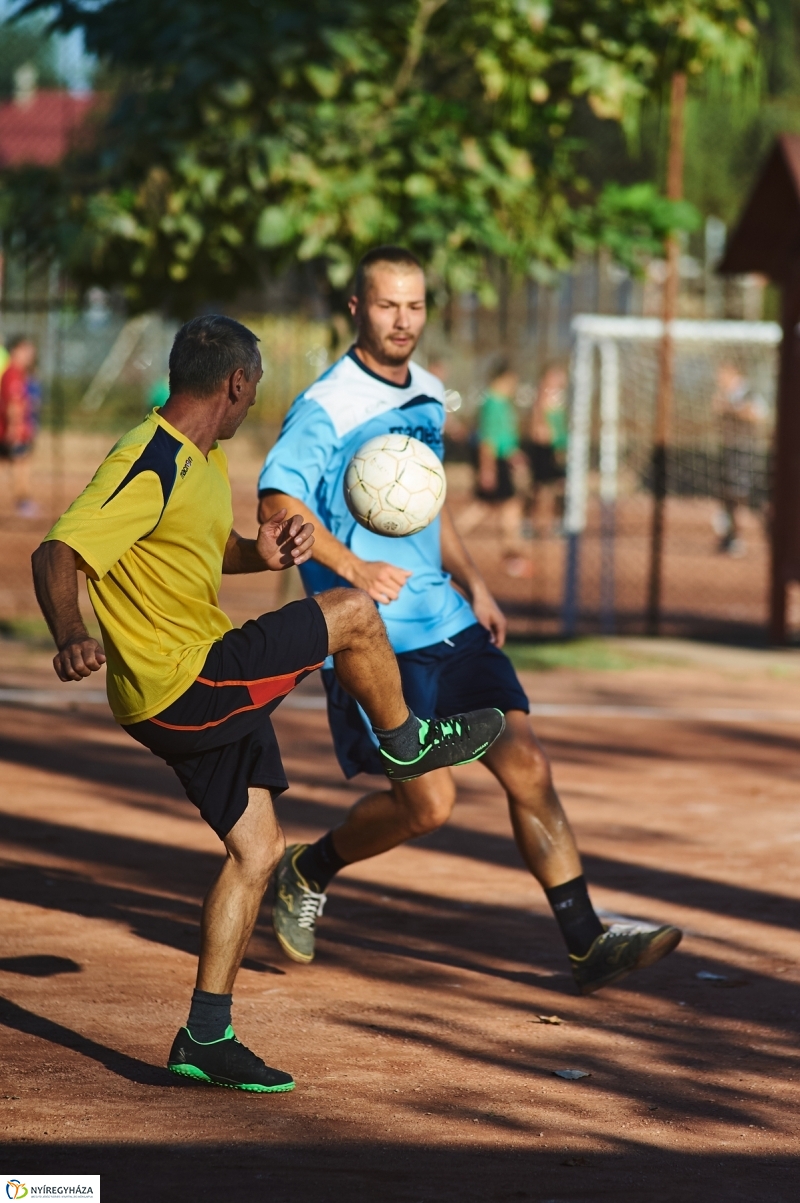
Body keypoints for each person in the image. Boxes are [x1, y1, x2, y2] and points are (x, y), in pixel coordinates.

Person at [30, 315, 504, 1094]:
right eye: (253, 390)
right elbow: (58, 548)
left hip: (191, 679)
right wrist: (71, 632)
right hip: (184, 681)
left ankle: (205, 1034)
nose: (253, 402)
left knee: (257, 851)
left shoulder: (200, 458)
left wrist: (262, 552)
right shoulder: (149, 458)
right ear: (236, 382)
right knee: (353, 612)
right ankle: (405, 741)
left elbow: (196, 548)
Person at [258, 246, 682, 996]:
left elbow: (427, 502)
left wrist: (476, 583)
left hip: (447, 617)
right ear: (357, 308)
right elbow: (277, 503)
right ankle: (308, 867)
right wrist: (353, 568)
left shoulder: (427, 391)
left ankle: (585, 941)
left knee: (529, 763)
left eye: (415, 305)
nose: (402, 320)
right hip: (375, 639)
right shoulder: (327, 405)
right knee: (428, 805)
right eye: (387, 304)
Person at [456, 358, 532, 577]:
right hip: (493, 461)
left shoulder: (503, 403)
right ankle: (447, 538)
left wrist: (514, 454)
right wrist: (487, 469)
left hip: (502, 460)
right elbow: (487, 441)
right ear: (502, 379)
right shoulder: (492, 404)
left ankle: (512, 555)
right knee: (494, 506)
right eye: (512, 381)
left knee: (506, 506)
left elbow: (504, 436)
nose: (514, 385)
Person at [712, 362, 768, 556]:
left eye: (723, 374)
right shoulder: (723, 394)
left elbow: (758, 415)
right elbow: (716, 410)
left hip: (745, 451)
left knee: (741, 494)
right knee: (727, 493)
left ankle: (742, 536)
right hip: (729, 449)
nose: (719, 379)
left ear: (734, 373)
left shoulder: (749, 393)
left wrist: (731, 408)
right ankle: (730, 536)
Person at [523, 362, 568, 538]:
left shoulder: (559, 397)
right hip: (545, 449)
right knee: (543, 489)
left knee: (554, 488)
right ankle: (539, 524)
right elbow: (538, 427)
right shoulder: (543, 395)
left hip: (556, 448)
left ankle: (547, 523)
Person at [0, 335, 40, 517]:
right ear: (15, 350)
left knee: (17, 463)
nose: (30, 355)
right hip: (13, 430)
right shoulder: (13, 373)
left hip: (18, 428)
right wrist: (14, 428)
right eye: (25, 350)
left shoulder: (20, 373)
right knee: (20, 464)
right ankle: (23, 502)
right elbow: (12, 404)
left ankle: (24, 502)